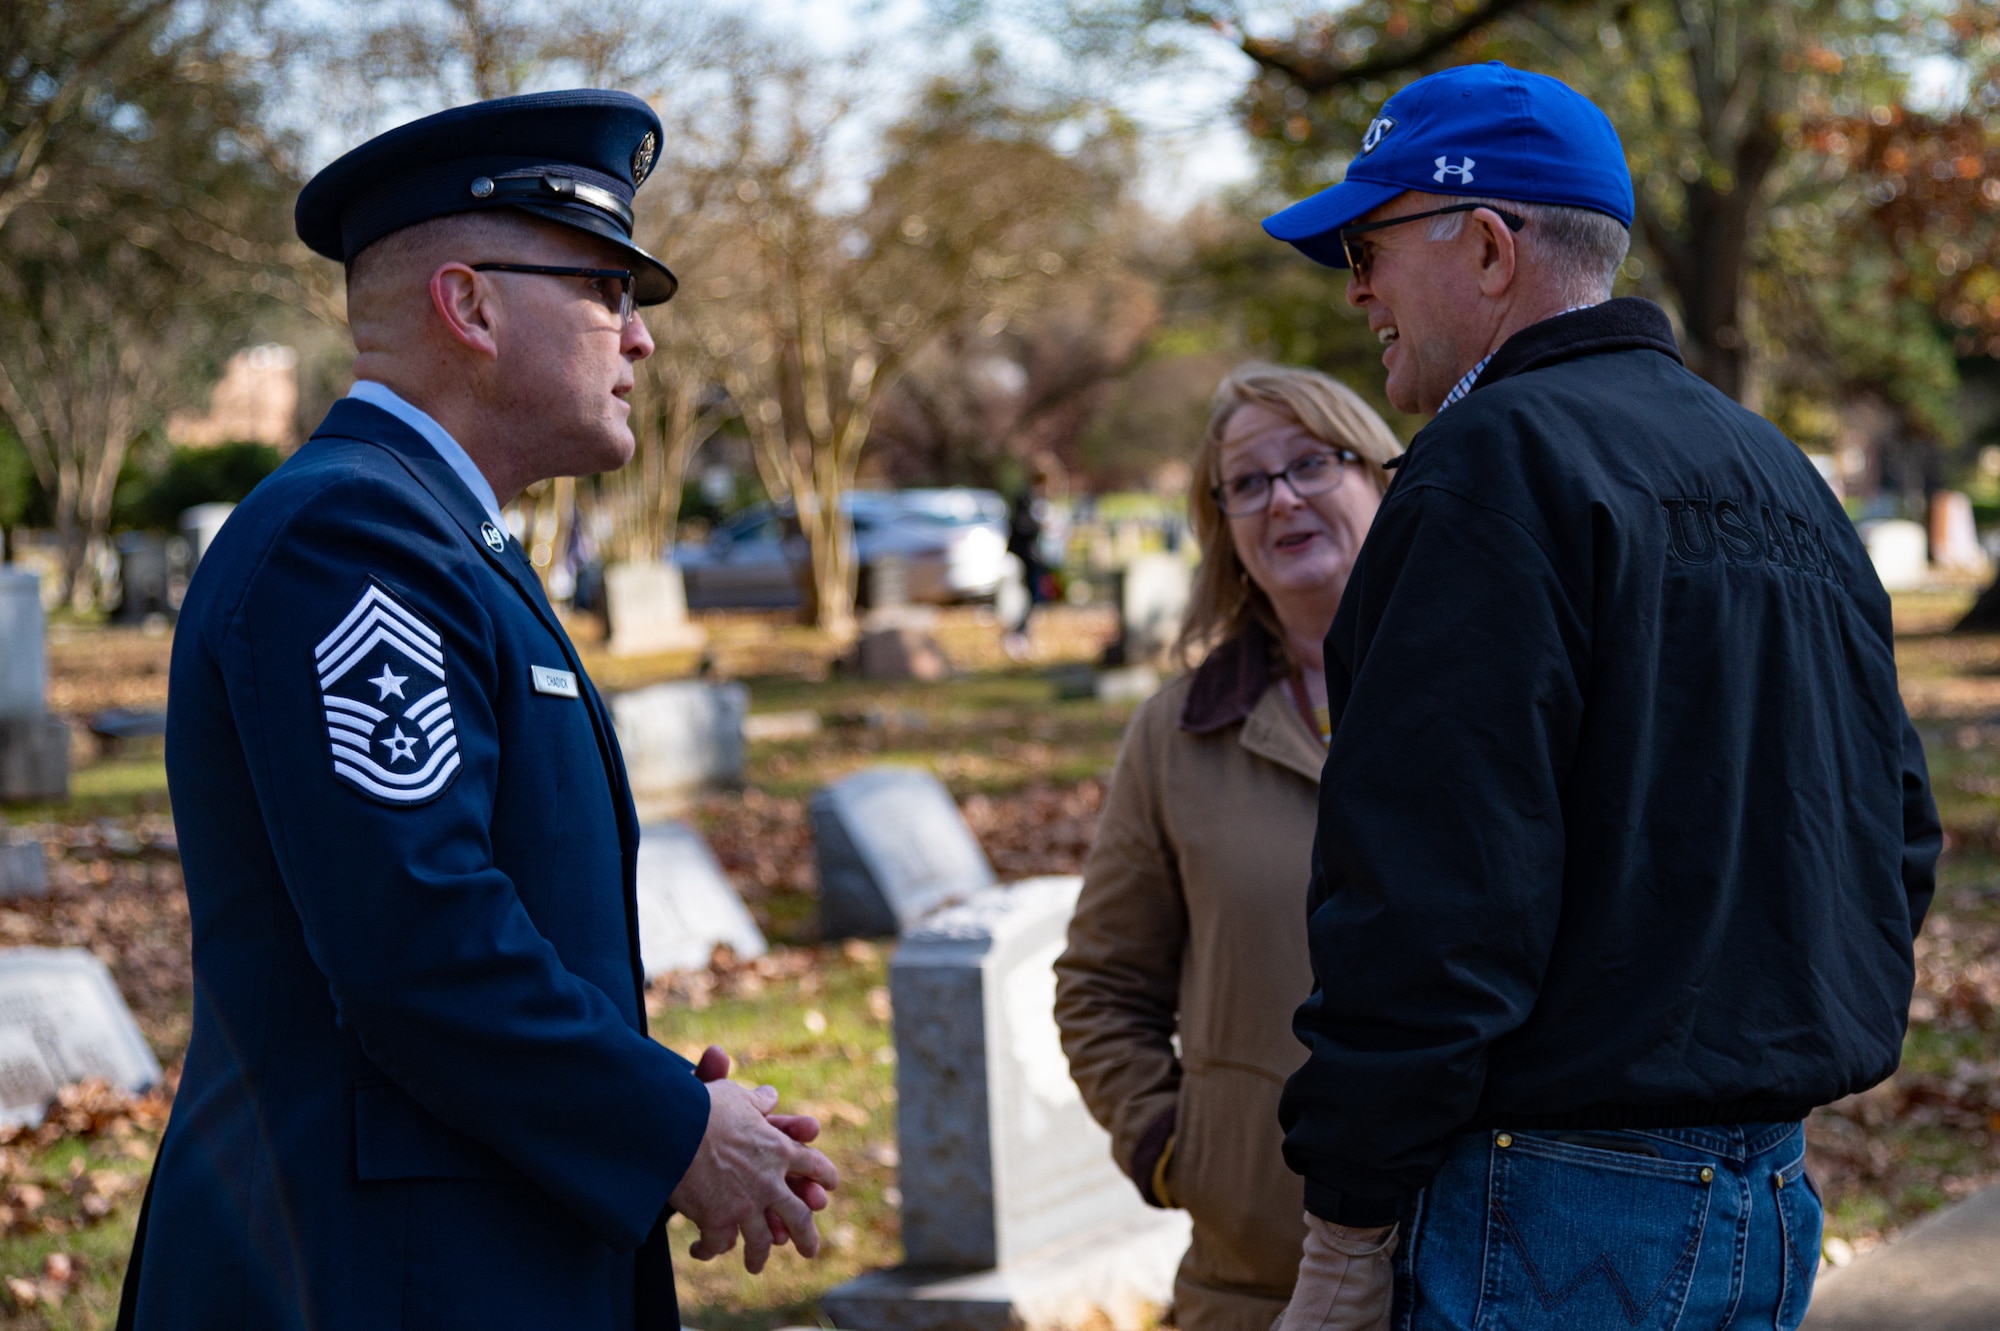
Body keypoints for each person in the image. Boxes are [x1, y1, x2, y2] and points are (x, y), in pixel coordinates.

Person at [118, 91, 838, 1331]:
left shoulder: (438, 536)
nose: (640, 339)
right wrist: (666, 1127)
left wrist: (660, 1091)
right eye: (608, 290)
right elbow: (418, 941)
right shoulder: (353, 539)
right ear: (470, 304)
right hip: (364, 1272)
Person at [1255, 62, 1941, 1331]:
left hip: (1551, 1209)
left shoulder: (1486, 467)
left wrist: (1346, 1226)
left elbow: (1426, 895)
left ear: (1486, 244)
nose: (1353, 288)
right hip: (1768, 1189)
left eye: (1363, 242)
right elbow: (1891, 834)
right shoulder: (1778, 472)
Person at [1054, 364, 1402, 1331]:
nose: (1280, 497)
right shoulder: (1178, 734)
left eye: (1312, 464)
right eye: (1246, 483)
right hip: (1256, 1280)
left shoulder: (1493, 688)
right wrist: (1181, 1150)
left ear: (1380, 476)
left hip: (1490, 1263)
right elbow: (1101, 987)